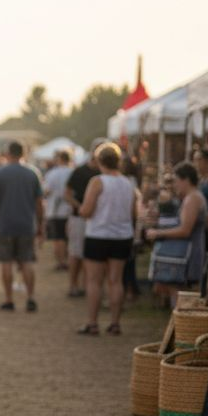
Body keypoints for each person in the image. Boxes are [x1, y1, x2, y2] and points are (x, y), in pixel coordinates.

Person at [77, 142, 140, 336]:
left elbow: (87, 210)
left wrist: (80, 210)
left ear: (98, 161)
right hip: (121, 236)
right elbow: (133, 213)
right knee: (116, 280)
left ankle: (93, 322)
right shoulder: (128, 183)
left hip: (98, 234)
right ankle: (115, 323)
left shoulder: (98, 181)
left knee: (94, 280)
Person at [0, 141, 45, 312]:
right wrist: (41, 224)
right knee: (27, 262)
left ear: (7, 153)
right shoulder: (33, 173)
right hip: (27, 224)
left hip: (5, 224)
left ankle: (9, 299)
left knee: (6, 263)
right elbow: (39, 203)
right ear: (23, 153)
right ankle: (30, 297)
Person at [145, 162, 207, 307]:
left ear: (185, 180)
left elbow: (185, 230)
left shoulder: (193, 198)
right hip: (189, 251)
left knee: (179, 295)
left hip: (189, 254)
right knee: (177, 294)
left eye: (176, 181)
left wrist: (158, 233)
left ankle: (179, 327)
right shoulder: (192, 197)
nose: (175, 185)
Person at [64, 148, 100, 298]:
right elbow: (67, 194)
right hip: (79, 218)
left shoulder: (103, 173)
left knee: (90, 256)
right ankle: (73, 285)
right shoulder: (79, 171)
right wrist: (81, 208)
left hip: (97, 219)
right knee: (75, 254)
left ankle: (87, 286)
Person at [43, 149, 74, 271]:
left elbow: (46, 190)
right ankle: (68, 260)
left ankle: (61, 262)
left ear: (59, 159)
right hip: (70, 209)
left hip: (55, 210)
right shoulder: (73, 172)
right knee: (68, 238)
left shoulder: (52, 173)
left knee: (58, 238)